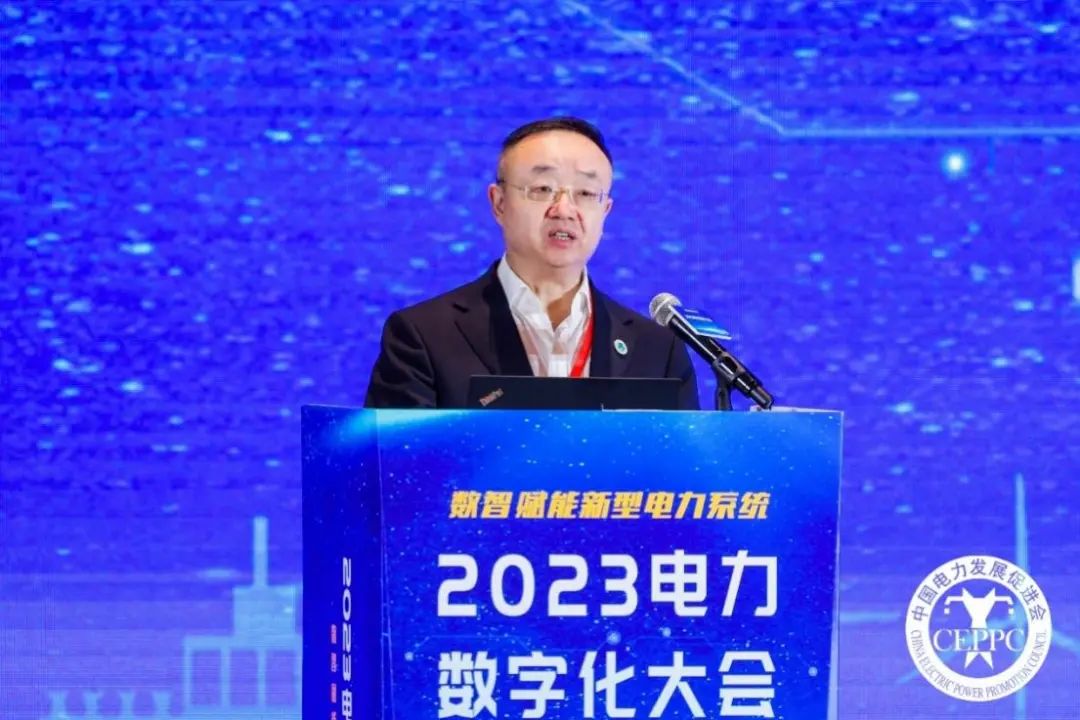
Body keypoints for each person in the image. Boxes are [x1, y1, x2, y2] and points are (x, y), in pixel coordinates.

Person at [364, 116, 699, 409]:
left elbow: (679, 462)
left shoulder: (658, 351)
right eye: (542, 188)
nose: (564, 209)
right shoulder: (424, 335)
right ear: (499, 203)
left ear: (605, 211)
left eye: (585, 193)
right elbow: (401, 459)